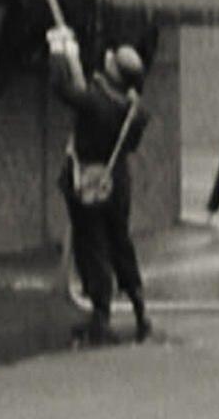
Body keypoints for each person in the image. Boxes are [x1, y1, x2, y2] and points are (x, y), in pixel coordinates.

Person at [48, 26, 152, 346]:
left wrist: (59, 49)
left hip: (90, 183)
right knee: (121, 242)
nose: (107, 59)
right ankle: (139, 310)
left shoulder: (96, 100)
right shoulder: (136, 112)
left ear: (116, 73)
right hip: (117, 181)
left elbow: (62, 89)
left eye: (112, 61)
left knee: (92, 245)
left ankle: (101, 318)